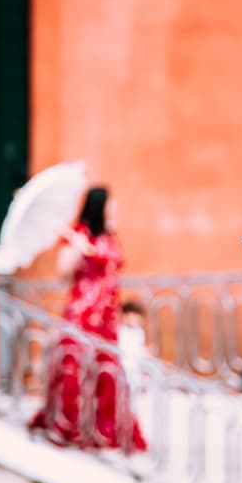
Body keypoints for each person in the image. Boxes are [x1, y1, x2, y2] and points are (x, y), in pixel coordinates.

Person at [29, 186, 147, 452]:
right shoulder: (80, 235)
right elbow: (63, 272)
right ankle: (70, 426)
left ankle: (104, 428)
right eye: (110, 205)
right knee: (76, 368)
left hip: (106, 317)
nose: (114, 210)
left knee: (107, 371)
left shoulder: (109, 235)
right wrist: (77, 249)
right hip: (84, 314)